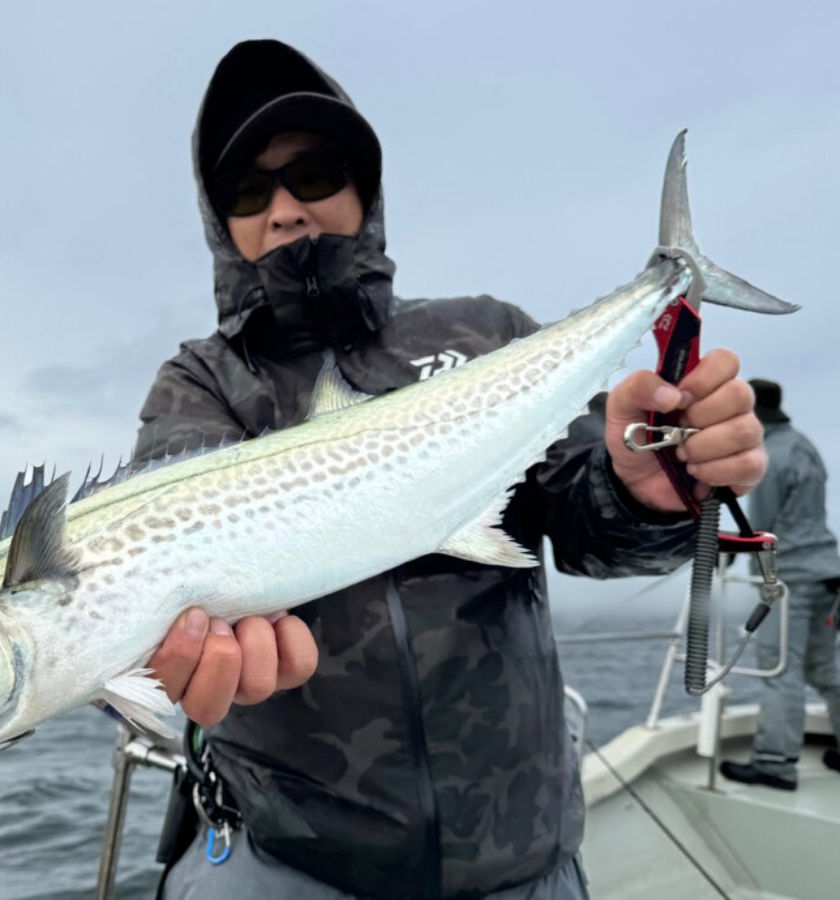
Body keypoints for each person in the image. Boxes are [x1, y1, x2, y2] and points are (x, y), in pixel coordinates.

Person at [135, 40, 767, 899]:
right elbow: (164, 550)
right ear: (223, 224)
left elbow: (584, 516)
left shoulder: (482, 335)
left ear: (364, 189)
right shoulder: (204, 380)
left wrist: (642, 494)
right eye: (249, 192)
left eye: (314, 174)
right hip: (294, 860)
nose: (284, 210)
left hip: (522, 854)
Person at [719, 379, 840, 791]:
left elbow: (761, 526)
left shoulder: (767, 454)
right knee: (825, 668)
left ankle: (775, 764)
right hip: (828, 572)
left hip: (792, 577)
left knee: (780, 670)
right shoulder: (805, 445)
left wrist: (728, 548)